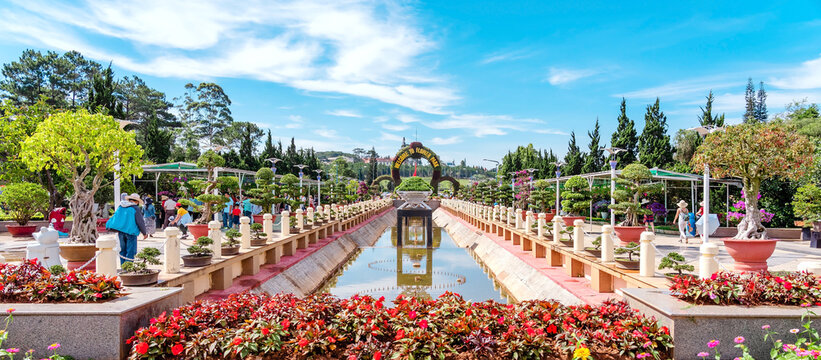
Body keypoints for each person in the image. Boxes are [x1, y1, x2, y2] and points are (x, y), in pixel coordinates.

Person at [106, 193, 147, 264]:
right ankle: (128, 268)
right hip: (131, 232)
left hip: (121, 232)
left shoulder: (121, 206)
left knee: (123, 250)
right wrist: (144, 233)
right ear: (136, 201)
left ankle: (123, 267)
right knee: (131, 251)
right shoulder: (135, 208)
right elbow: (140, 222)